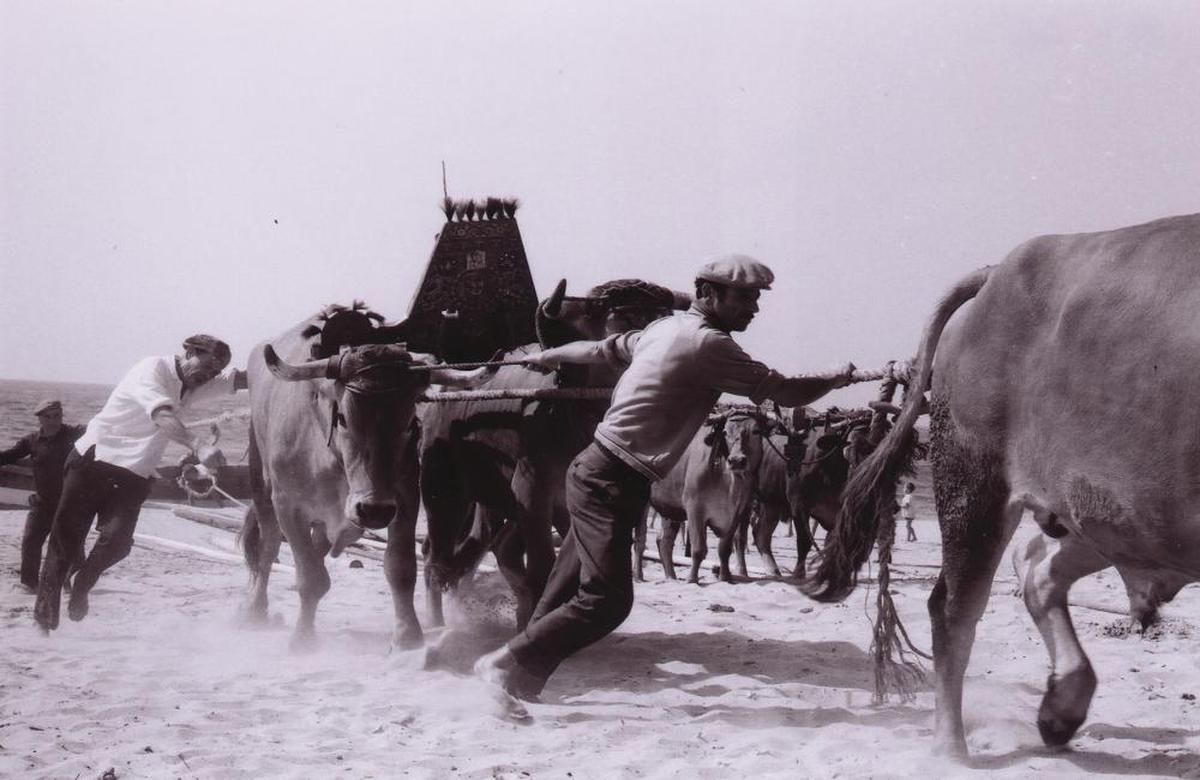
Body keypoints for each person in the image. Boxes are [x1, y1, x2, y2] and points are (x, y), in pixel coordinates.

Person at [474, 253, 855, 713]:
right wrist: (837, 378)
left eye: (757, 299)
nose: (753, 308)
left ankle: (521, 683)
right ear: (707, 294)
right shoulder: (710, 345)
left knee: (563, 586)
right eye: (744, 298)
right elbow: (785, 391)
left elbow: (598, 350)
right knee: (608, 602)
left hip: (606, 472)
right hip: (609, 477)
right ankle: (498, 665)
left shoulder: (663, 329)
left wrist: (547, 355)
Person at [33, 335, 248, 632]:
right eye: (206, 367)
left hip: (133, 473)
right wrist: (199, 445)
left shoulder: (195, 384)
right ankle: (44, 622)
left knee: (119, 543)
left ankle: (82, 582)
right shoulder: (153, 369)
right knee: (65, 542)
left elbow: (240, 380)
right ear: (188, 352)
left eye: (214, 372)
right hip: (95, 460)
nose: (208, 376)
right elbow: (162, 414)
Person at [0, 400, 87, 591]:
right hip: (42, 502)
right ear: (39, 418)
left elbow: (100, 429)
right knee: (31, 541)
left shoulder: (74, 434)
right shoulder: (31, 441)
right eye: (48, 416)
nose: (54, 421)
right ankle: (29, 583)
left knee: (72, 544)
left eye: (57, 415)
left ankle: (74, 583)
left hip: (69, 501)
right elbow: (9, 456)